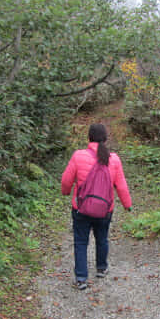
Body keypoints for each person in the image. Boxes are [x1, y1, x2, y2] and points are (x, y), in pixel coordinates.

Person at [61, 123, 132, 290]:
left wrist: (65, 192)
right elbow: (121, 185)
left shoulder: (78, 156)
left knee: (80, 242)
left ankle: (81, 278)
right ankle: (101, 268)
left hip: (81, 208)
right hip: (104, 210)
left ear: (89, 138)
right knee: (102, 238)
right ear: (106, 139)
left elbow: (66, 180)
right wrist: (127, 204)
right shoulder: (113, 159)